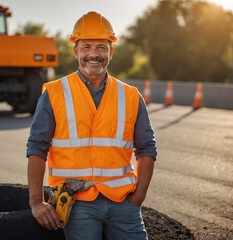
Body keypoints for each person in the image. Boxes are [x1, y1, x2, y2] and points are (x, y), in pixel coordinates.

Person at [26, 11, 157, 240]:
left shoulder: (131, 96)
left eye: (101, 48)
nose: (93, 55)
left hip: (123, 204)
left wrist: (139, 197)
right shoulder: (55, 94)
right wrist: (36, 201)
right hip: (77, 205)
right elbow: (37, 147)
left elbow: (146, 148)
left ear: (111, 52)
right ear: (76, 50)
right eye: (86, 47)